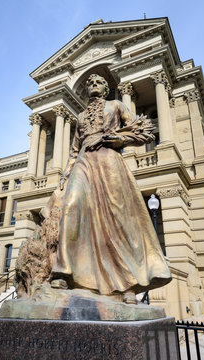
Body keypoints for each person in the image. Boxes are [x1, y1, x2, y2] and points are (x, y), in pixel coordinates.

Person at [51, 74, 171, 303]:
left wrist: (113, 139)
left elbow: (144, 132)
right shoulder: (81, 116)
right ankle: (63, 272)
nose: (93, 85)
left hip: (109, 161)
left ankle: (127, 283)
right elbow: (74, 151)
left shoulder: (116, 106)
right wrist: (65, 175)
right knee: (71, 207)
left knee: (118, 219)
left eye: (98, 83)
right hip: (83, 162)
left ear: (106, 89)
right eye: (90, 83)